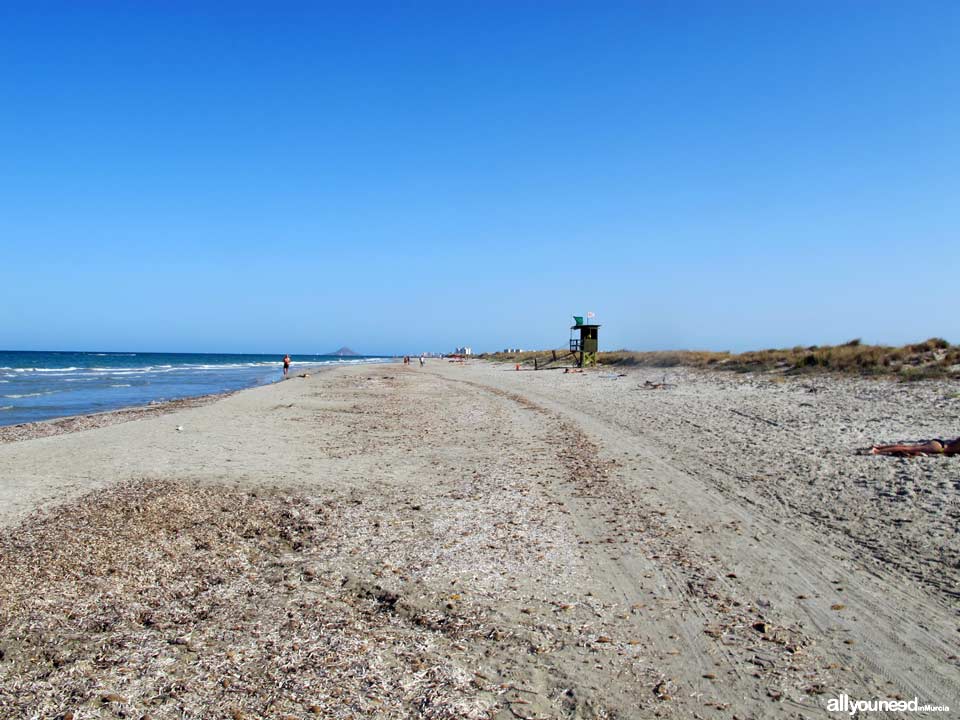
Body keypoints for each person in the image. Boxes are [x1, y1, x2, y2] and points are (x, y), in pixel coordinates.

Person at [870, 437, 960, 457]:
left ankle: (879, 447)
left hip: (940, 444)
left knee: (908, 447)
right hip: (940, 448)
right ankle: (876, 451)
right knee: (908, 448)